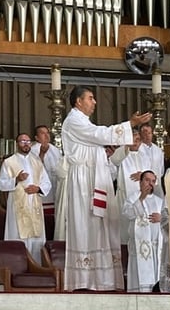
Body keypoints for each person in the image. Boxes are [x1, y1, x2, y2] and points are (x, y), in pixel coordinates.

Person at [61, 85, 150, 292]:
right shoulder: (74, 121)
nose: (94, 102)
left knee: (100, 226)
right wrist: (130, 124)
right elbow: (101, 134)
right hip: (84, 181)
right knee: (87, 225)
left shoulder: (83, 121)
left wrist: (125, 145)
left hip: (95, 178)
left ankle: (103, 278)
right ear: (78, 102)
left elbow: (104, 151)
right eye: (90, 98)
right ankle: (85, 279)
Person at [0, 132, 51, 262]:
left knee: (35, 235)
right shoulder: (9, 162)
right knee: (18, 234)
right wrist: (16, 179)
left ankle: (36, 264)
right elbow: (1, 184)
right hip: (18, 205)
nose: (26, 144)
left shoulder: (37, 162)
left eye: (28, 141)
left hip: (34, 204)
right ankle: (17, 263)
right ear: (17, 144)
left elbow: (46, 182)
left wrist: (38, 188)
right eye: (22, 141)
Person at [122, 169, 167, 293]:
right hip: (139, 248)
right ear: (140, 182)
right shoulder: (132, 198)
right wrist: (141, 199)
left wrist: (161, 218)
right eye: (147, 180)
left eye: (153, 181)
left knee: (156, 277)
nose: (150, 184)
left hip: (157, 248)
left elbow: (168, 220)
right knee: (140, 278)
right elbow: (128, 214)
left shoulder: (160, 201)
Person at [30, 125, 62, 225]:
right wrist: (42, 154)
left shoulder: (55, 150)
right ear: (36, 137)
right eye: (42, 133)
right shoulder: (32, 150)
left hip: (54, 187)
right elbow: (35, 168)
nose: (46, 135)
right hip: (41, 189)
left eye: (47, 133)